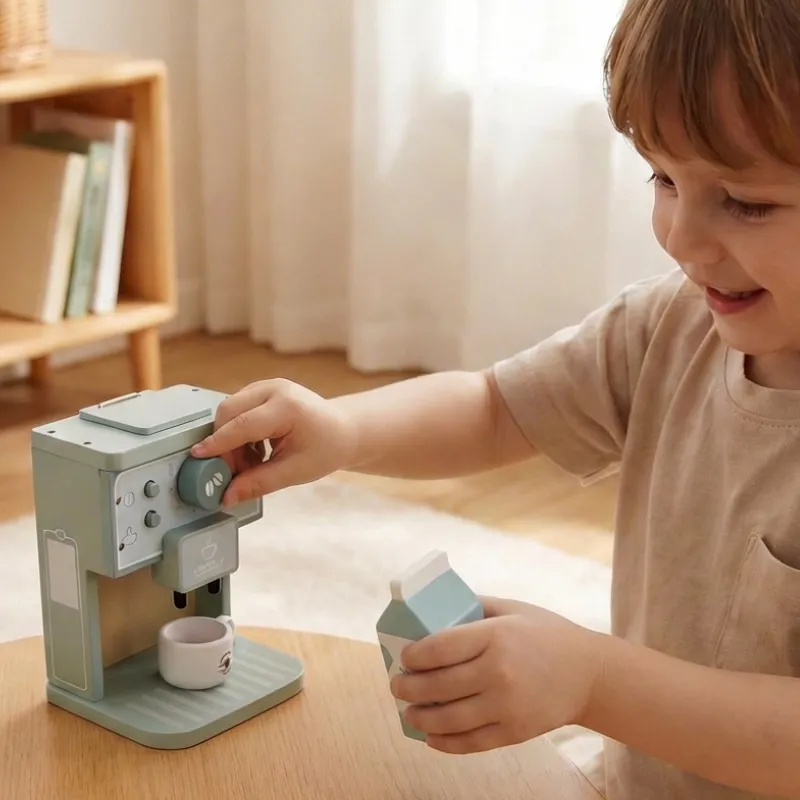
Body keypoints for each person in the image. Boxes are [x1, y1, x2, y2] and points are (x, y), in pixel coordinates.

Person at [190, 0, 800, 797]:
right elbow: (495, 408)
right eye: (663, 178)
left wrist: (594, 682)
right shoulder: (674, 326)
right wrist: (344, 430)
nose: (681, 238)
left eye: (746, 202)